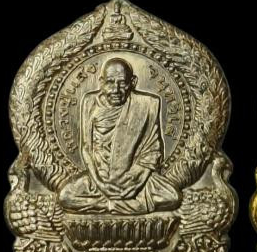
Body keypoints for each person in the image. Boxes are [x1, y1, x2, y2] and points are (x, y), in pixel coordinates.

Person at [59, 58, 180, 214]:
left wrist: (137, 181)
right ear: (101, 82)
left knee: (173, 197)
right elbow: (87, 148)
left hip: (134, 176)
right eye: (110, 82)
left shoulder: (147, 104)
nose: (116, 89)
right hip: (99, 178)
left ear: (133, 82)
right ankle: (122, 205)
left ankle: (107, 205)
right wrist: (101, 184)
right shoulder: (90, 102)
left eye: (122, 83)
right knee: (65, 196)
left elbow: (152, 150)